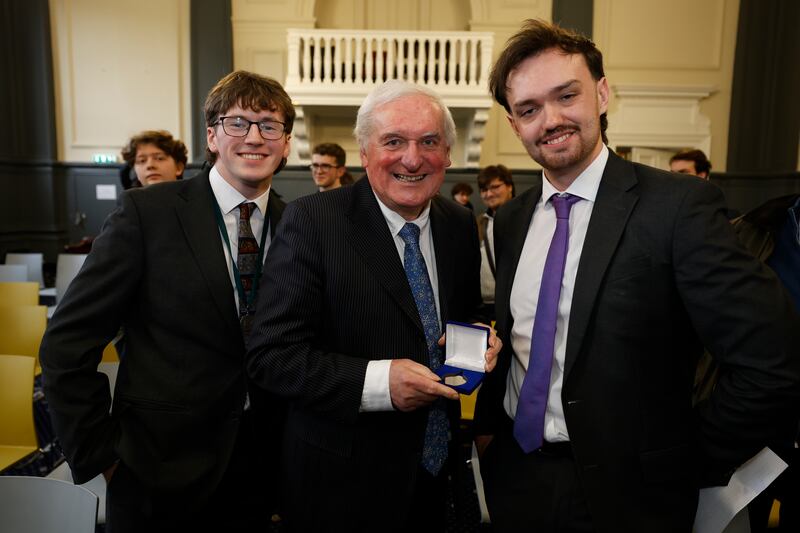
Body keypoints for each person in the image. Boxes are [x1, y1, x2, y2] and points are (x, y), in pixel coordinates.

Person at [472, 19, 800, 533]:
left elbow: (773, 360)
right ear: (514, 125)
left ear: (602, 94)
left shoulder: (677, 207)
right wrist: (491, 434)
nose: (550, 119)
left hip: (634, 498)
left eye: (566, 95)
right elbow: (520, 340)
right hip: (518, 479)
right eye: (529, 109)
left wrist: (688, 457)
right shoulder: (511, 221)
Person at [40, 70, 293, 532]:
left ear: (287, 143)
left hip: (262, 476)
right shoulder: (147, 214)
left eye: (269, 125)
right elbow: (66, 345)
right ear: (213, 136)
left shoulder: (299, 224)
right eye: (238, 123)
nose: (254, 137)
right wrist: (104, 457)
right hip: (155, 474)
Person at [247, 79, 500, 532]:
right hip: (343, 488)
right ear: (364, 153)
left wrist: (483, 336)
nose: (412, 158)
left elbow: (462, 314)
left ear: (447, 153)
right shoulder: (314, 221)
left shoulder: (458, 224)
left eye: (429, 142)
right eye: (394, 141)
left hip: (439, 478)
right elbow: (272, 357)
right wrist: (380, 383)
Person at [476, 164, 514, 317]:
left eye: (494, 187)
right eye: (484, 190)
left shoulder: (527, 219)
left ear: (509, 186)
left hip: (515, 303)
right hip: (486, 305)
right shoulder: (479, 222)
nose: (489, 194)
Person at [120, 130, 188, 187]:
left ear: (178, 168)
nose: (150, 165)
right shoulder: (129, 201)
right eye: (142, 160)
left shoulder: (195, 200)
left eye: (159, 158)